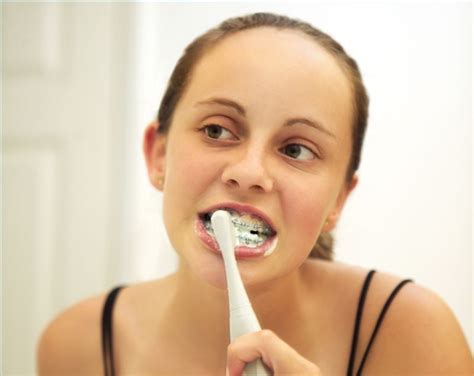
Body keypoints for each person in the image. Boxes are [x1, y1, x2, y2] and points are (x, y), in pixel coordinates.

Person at [37, 12, 472, 376]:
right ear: (158, 156)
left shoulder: (410, 334)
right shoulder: (79, 346)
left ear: (337, 200)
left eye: (296, 149)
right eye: (217, 130)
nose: (249, 173)